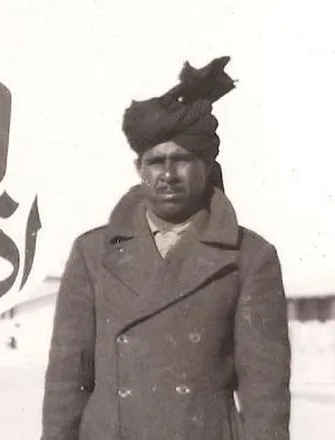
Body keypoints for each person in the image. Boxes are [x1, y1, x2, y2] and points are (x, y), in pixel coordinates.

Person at [41, 57, 291, 440]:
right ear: (139, 168)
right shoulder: (93, 254)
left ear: (207, 165)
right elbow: (66, 380)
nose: (168, 175)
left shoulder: (250, 258)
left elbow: (265, 395)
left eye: (182, 160)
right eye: (156, 162)